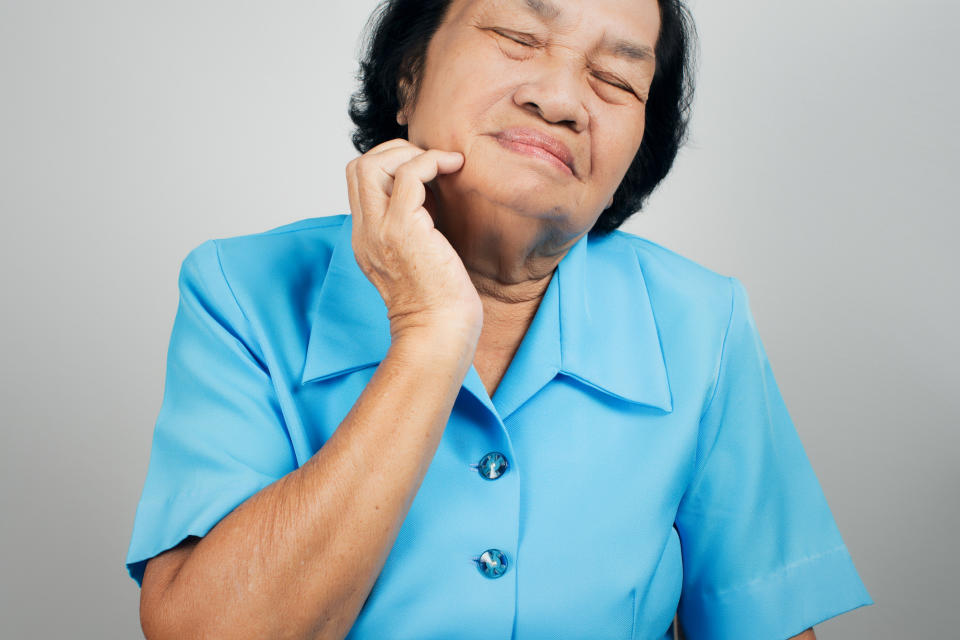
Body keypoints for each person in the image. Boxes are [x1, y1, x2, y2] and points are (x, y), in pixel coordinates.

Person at [126, 0, 874, 638]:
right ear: (408, 74)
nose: (560, 99)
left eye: (615, 78)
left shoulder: (702, 323)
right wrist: (429, 336)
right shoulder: (243, 289)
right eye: (518, 36)